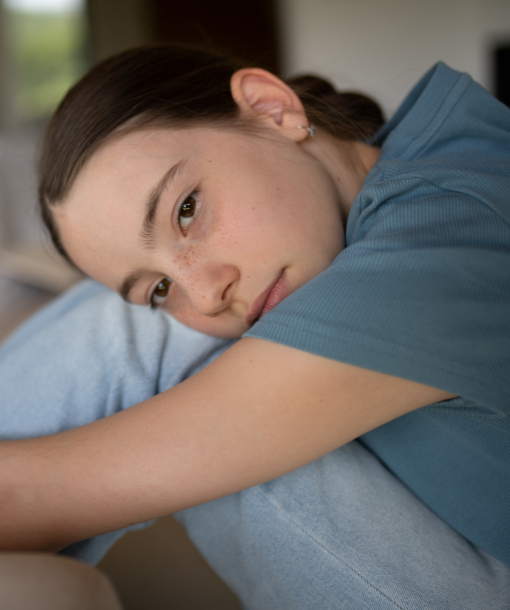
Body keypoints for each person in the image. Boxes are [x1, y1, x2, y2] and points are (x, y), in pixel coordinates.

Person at [0, 44, 509, 609]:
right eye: (160, 289)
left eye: (186, 210)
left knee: (151, 339)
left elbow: (36, 496)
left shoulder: (451, 224)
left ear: (272, 108)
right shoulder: (431, 158)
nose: (205, 293)